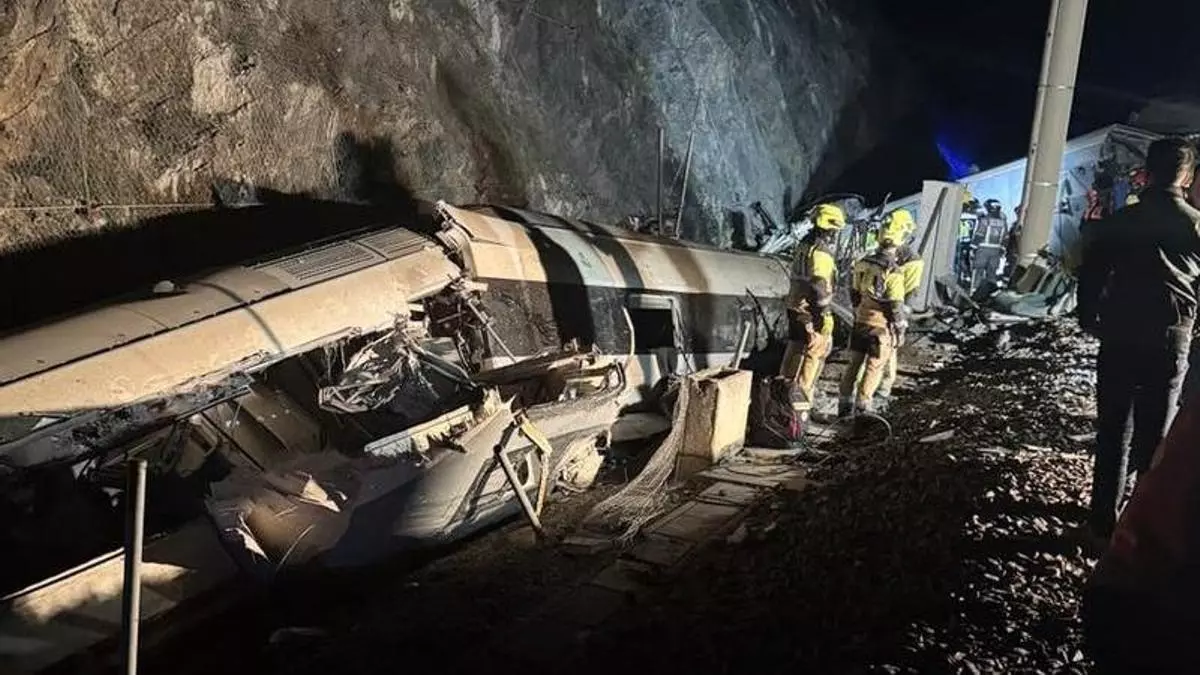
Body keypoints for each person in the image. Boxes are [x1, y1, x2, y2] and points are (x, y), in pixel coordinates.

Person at [1076, 136, 1200, 544]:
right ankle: (1140, 528)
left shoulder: (1121, 222)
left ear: (1148, 171)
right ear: (1186, 175)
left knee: (1113, 429)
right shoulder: (1196, 224)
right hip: (1170, 337)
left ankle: (1101, 521)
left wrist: (1088, 317)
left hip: (1120, 334)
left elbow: (1090, 274)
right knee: (1156, 436)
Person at [779, 203, 846, 439]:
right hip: (811, 314)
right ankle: (798, 421)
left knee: (790, 362)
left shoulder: (803, 246)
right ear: (831, 230)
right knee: (809, 365)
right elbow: (819, 288)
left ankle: (781, 410)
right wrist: (824, 318)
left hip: (795, 309)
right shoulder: (821, 253)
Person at [838, 212, 909, 418]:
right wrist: (900, 330)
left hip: (860, 322)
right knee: (874, 367)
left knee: (854, 364)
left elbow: (853, 293)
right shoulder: (893, 271)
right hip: (880, 328)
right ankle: (862, 409)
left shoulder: (862, 262)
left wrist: (859, 310)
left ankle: (843, 407)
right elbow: (895, 306)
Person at [870, 209, 922, 413]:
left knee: (889, 347)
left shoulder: (913, 260)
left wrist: (900, 316)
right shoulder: (889, 250)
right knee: (877, 348)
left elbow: (910, 291)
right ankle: (870, 385)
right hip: (880, 306)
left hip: (895, 306)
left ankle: (883, 388)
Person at [969, 199, 1007, 294]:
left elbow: (979, 234)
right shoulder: (1003, 222)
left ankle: (974, 291)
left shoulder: (985, 220)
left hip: (983, 250)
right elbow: (1005, 237)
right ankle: (991, 293)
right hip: (996, 251)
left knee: (978, 271)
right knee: (992, 273)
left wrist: (972, 248)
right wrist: (1002, 249)